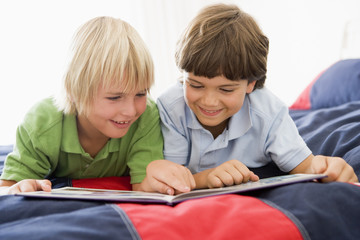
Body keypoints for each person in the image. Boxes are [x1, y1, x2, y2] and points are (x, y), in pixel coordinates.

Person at [157, 3, 358, 189]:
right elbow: (174, 178)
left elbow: (305, 166)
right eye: (195, 84)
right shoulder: (171, 106)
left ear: (251, 83)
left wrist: (327, 167)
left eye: (226, 89)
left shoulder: (269, 111)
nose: (209, 101)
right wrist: (206, 177)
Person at [0, 16, 195, 195]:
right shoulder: (41, 122)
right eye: (114, 97)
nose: (131, 111)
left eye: (140, 94)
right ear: (74, 93)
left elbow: (142, 186)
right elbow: (9, 187)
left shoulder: (147, 116)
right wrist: (19, 187)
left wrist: (159, 178)